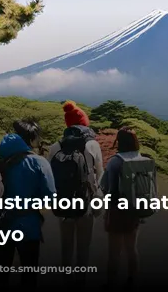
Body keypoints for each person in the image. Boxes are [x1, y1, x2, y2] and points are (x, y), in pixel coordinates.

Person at [0, 120, 56, 289]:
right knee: (29, 274)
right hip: (29, 226)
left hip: (2, 224)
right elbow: (50, 196)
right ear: (32, 138)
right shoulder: (39, 162)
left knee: (1, 272)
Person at [47, 101, 104, 286]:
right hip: (86, 200)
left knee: (66, 245)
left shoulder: (56, 146)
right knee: (84, 245)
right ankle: (81, 279)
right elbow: (100, 173)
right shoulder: (93, 144)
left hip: (64, 200)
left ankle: (66, 278)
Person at [100, 127, 145, 289]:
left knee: (114, 251)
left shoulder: (115, 161)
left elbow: (106, 187)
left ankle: (111, 282)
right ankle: (133, 279)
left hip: (117, 210)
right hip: (135, 210)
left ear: (119, 141)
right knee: (132, 248)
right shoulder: (141, 159)